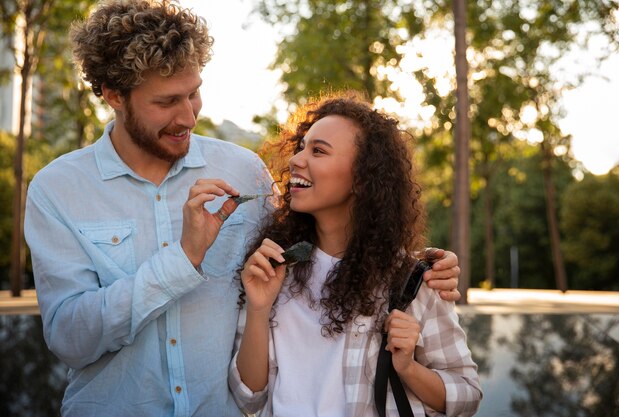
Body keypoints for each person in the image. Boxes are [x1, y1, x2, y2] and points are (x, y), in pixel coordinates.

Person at [24, 1, 462, 416]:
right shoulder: (58, 190)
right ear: (113, 95)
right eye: (166, 102)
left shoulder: (244, 170)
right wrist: (182, 259)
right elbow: (69, 339)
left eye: (193, 94)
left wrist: (420, 265)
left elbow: (321, 236)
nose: (189, 117)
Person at [228, 93, 483, 417]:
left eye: (318, 151)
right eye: (301, 147)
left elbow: (468, 395)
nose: (296, 160)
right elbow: (248, 398)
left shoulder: (413, 280)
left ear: (362, 179)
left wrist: (407, 368)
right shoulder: (274, 269)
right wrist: (258, 309)